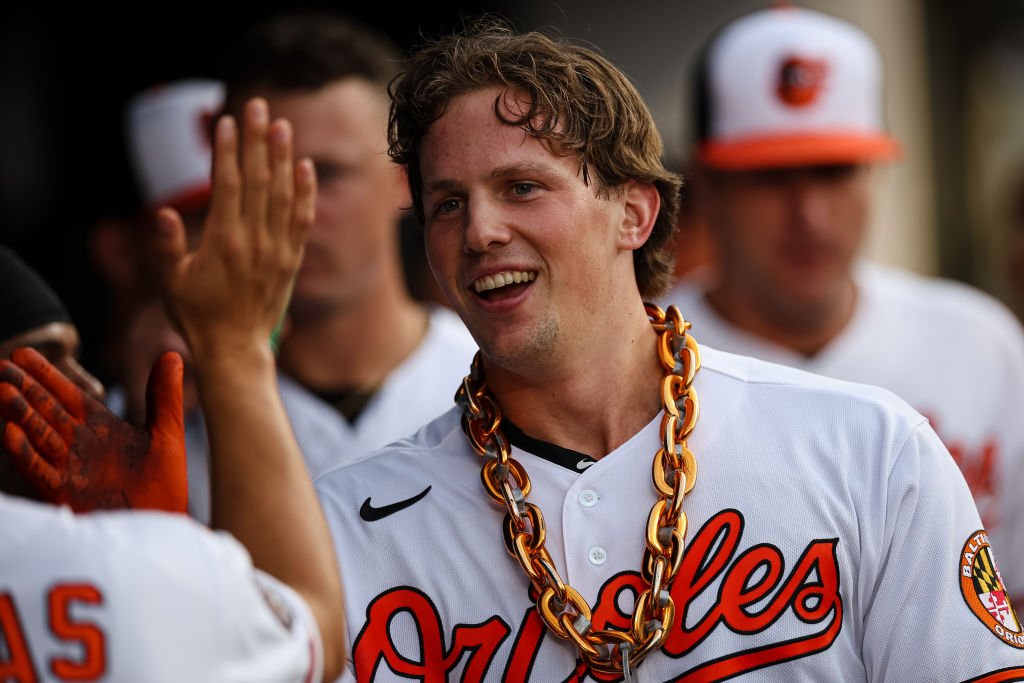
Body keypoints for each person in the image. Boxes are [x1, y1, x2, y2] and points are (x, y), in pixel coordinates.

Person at [311, 15, 1024, 679]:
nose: (481, 231)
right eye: (448, 203)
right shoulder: (343, 524)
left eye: (522, 187)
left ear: (635, 212)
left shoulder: (875, 449)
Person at [658, 4, 1024, 605]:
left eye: (832, 171)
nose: (809, 216)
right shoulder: (642, 361)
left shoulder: (978, 340)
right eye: (770, 177)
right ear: (710, 188)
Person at [0, 98, 345, 681]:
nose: (236, 247)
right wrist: (159, 543)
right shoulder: (101, 560)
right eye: (44, 360)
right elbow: (308, 625)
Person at [215, 10, 478, 469]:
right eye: (263, 175)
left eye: (327, 174)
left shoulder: (497, 385)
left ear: (406, 180)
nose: (295, 207)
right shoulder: (175, 416)